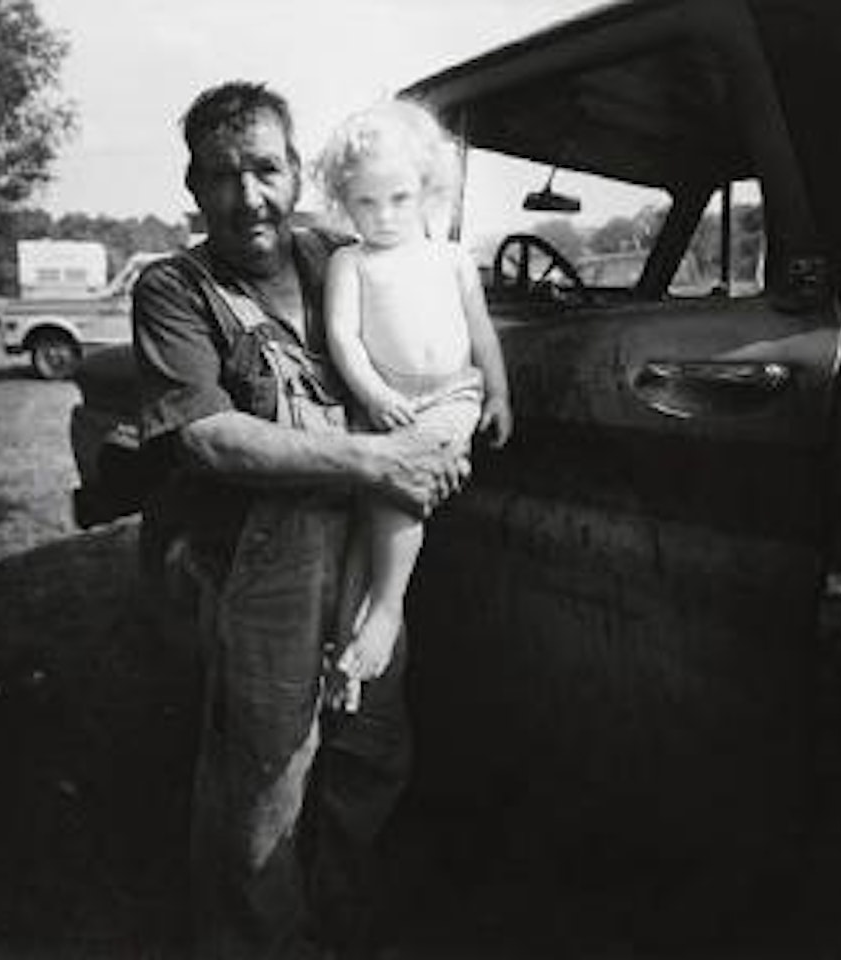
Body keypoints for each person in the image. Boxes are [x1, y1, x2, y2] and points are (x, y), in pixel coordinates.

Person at [130, 81, 469, 960]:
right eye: (222, 176)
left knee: (371, 752)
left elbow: (431, 327)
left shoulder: (337, 254)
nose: (248, 197)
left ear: (296, 173)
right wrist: (378, 461)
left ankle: (346, 925)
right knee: (266, 780)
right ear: (194, 187)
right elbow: (211, 440)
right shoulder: (176, 289)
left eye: (266, 169)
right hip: (260, 559)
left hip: (362, 545)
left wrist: (445, 425)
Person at [317, 100, 512, 710]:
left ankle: (386, 610)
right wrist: (373, 394)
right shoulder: (351, 262)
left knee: (396, 490)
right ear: (345, 204)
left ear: (427, 190)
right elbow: (343, 337)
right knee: (370, 511)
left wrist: (501, 393)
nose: (383, 216)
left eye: (398, 198)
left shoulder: (451, 258)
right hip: (387, 400)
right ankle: (347, 655)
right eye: (365, 204)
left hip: (453, 395)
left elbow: (482, 335)